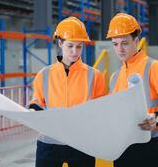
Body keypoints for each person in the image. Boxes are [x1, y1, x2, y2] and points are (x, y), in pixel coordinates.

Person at [106, 13, 158, 167]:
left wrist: (157, 118)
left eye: (124, 43)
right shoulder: (115, 77)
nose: (119, 49)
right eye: (115, 44)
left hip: (150, 149)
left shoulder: (156, 68)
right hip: (123, 149)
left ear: (136, 41)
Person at [28, 16, 106, 167]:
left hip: (82, 143)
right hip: (50, 142)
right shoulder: (44, 74)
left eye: (79, 46)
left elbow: (101, 108)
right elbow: (37, 101)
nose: (75, 51)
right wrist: (32, 110)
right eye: (70, 46)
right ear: (60, 43)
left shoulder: (94, 75)